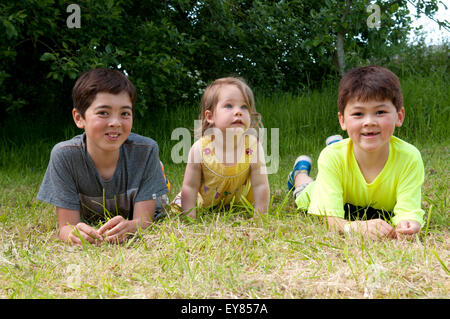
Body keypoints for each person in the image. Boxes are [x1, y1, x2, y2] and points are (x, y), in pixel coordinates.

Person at [288, 66, 425, 240]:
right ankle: (299, 172)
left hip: (343, 175)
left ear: (399, 116)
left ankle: (338, 143)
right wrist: (352, 227)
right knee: (304, 189)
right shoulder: (331, 157)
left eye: (380, 112)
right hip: (317, 188)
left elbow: (409, 211)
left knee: (337, 156)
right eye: (358, 114)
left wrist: (408, 224)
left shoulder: (409, 158)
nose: (369, 122)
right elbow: (329, 219)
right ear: (342, 120)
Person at [37, 68, 169, 245]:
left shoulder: (147, 151)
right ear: (79, 118)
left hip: (146, 174)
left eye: (125, 113)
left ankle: (157, 174)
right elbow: (66, 227)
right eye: (103, 113)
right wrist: (73, 234)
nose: (115, 122)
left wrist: (130, 227)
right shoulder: (64, 156)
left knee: (160, 205)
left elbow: (144, 222)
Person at [177, 77, 270, 219]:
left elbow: (260, 185)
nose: (238, 111)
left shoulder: (253, 147)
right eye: (228, 106)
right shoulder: (200, 149)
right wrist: (190, 219)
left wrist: (260, 217)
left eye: (244, 106)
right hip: (205, 203)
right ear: (210, 116)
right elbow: (190, 187)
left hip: (239, 202)